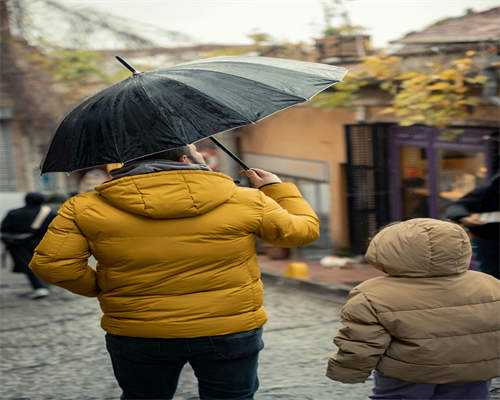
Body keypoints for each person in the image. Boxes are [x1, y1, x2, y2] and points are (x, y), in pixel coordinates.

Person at [30, 144, 319, 400]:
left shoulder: (83, 207)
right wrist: (276, 188)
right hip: (228, 329)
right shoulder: (246, 200)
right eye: (195, 151)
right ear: (184, 159)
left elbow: (52, 264)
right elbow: (302, 231)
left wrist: (103, 287)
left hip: (138, 330)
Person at [326, 218, 500, 400]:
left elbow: (362, 341)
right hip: (472, 372)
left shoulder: (371, 294)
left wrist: (347, 371)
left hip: (408, 374)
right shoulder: (490, 284)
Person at [1, 192, 56, 299]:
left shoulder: (13, 213)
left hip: (19, 244)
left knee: (28, 266)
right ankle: (44, 285)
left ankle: (39, 287)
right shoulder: (50, 213)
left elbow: (4, 229)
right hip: (43, 243)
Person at [446, 173, 499, 279]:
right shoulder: (488, 191)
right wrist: (463, 217)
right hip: (490, 243)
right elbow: (457, 207)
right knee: (491, 277)